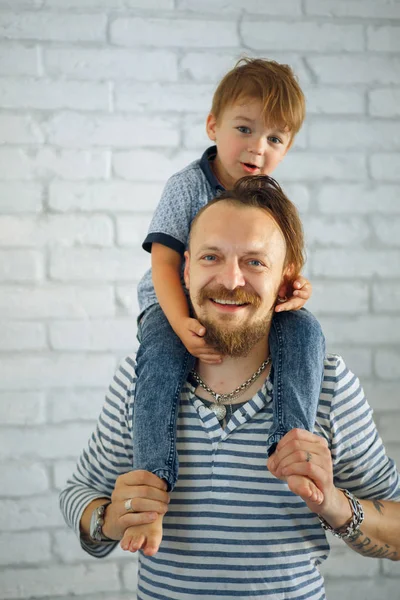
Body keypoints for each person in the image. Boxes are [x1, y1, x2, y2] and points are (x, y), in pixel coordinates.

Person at [60, 177, 400, 600]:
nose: (231, 279)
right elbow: (78, 496)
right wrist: (112, 519)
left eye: (255, 262)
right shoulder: (139, 379)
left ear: (286, 279)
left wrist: (333, 503)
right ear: (186, 269)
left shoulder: (328, 385)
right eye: (211, 257)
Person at [130, 58, 325, 553]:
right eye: (245, 129)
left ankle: (290, 440)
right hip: (172, 302)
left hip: (241, 314)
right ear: (213, 126)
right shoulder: (187, 186)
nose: (258, 147)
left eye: (275, 139)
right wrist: (178, 321)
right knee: (159, 364)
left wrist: (292, 289)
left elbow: (274, 265)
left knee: (305, 330)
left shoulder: (268, 201)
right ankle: (153, 480)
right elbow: (164, 261)